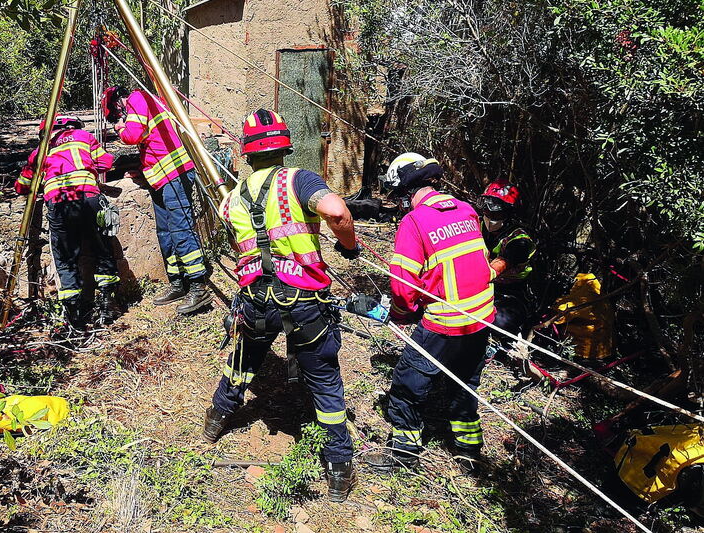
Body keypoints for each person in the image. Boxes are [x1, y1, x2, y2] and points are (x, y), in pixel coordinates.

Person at [202, 109, 360, 502]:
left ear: (247, 152)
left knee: (243, 359)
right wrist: (349, 245)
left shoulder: (233, 197)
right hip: (304, 300)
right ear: (284, 147)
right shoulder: (299, 179)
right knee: (324, 383)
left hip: (255, 298)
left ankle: (214, 423)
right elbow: (337, 211)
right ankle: (339, 472)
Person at [364, 153, 495, 473]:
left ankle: (404, 453)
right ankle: (469, 451)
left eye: (397, 197)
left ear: (405, 193)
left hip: (445, 323)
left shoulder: (415, 222)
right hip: (481, 318)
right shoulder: (466, 210)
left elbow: (402, 285)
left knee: (408, 384)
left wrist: (402, 314)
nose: (398, 204)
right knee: (464, 383)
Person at [103, 86, 212, 315]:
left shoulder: (138, 98)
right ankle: (177, 282)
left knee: (181, 231)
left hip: (174, 174)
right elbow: (149, 138)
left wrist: (119, 129)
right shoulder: (144, 103)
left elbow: (132, 135)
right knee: (166, 233)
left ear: (117, 102)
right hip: (160, 178)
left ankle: (198, 286)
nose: (118, 117)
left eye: (115, 114)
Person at [15, 114, 120, 329]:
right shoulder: (83, 136)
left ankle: (76, 315)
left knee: (65, 257)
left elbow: (22, 186)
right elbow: (106, 162)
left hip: (59, 204)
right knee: (102, 248)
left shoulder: (40, 152)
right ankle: (109, 304)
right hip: (90, 199)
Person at [479, 179, 537, 338]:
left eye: (496, 211)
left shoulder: (520, 241)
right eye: (486, 209)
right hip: (480, 286)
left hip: (510, 293)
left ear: (509, 213)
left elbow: (496, 267)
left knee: (498, 323)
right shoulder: (478, 224)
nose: (489, 214)